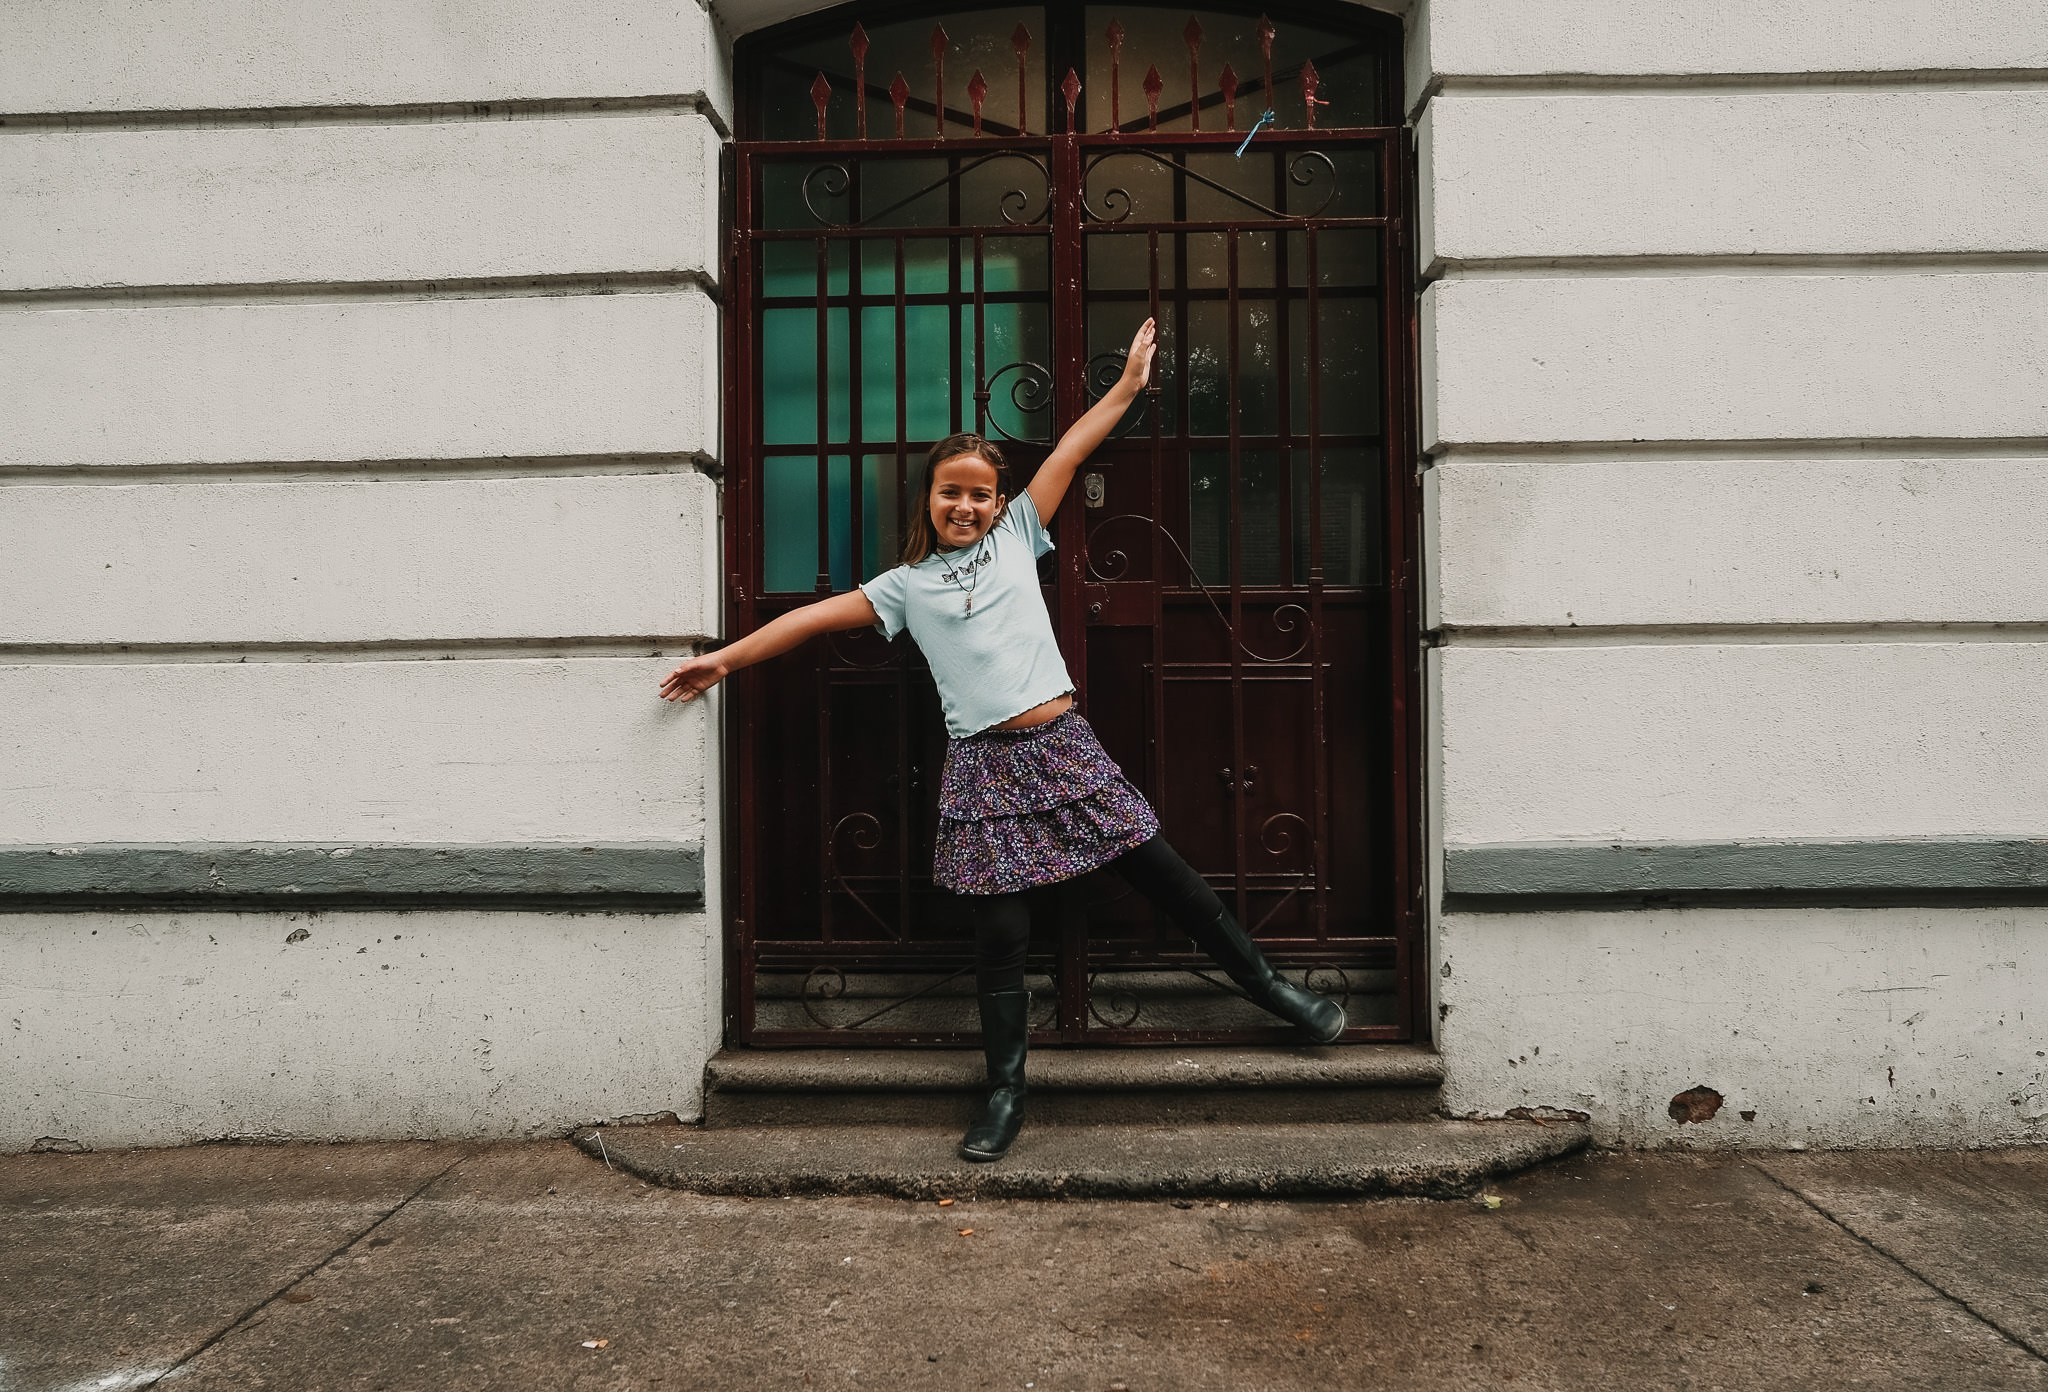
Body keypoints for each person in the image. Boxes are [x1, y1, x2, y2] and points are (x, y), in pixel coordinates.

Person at [659, 318, 1343, 1163]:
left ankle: (1274, 990)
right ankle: (1006, 1089)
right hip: (982, 765)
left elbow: (1070, 451)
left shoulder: (1021, 532)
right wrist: (723, 660)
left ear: (996, 500)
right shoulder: (903, 587)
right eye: (951, 491)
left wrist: (1126, 388)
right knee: (1001, 936)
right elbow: (805, 619)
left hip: (1061, 744)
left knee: (1163, 871)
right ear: (930, 500)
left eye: (980, 492)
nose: (966, 505)